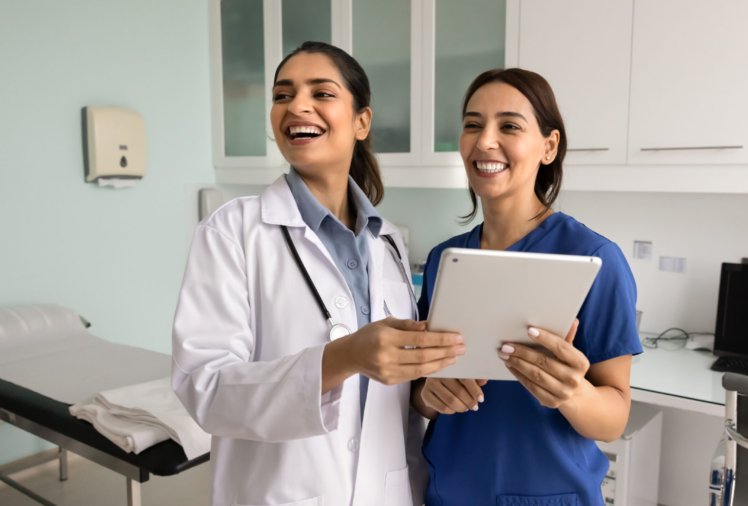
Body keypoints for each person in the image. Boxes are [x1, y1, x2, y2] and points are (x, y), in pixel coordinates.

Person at [172, 41, 465, 506]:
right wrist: (342, 358)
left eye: (321, 93)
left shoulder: (387, 241)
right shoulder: (233, 230)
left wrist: (429, 394)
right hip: (278, 492)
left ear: (361, 121)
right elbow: (204, 388)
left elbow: (393, 400)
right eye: (283, 95)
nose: (297, 106)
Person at [411, 68, 643, 505]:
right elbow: (421, 392)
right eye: (473, 124)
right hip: (449, 492)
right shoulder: (446, 259)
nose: (484, 141)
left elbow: (614, 417)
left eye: (510, 126)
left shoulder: (595, 259)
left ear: (548, 146)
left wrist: (572, 392)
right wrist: (430, 394)